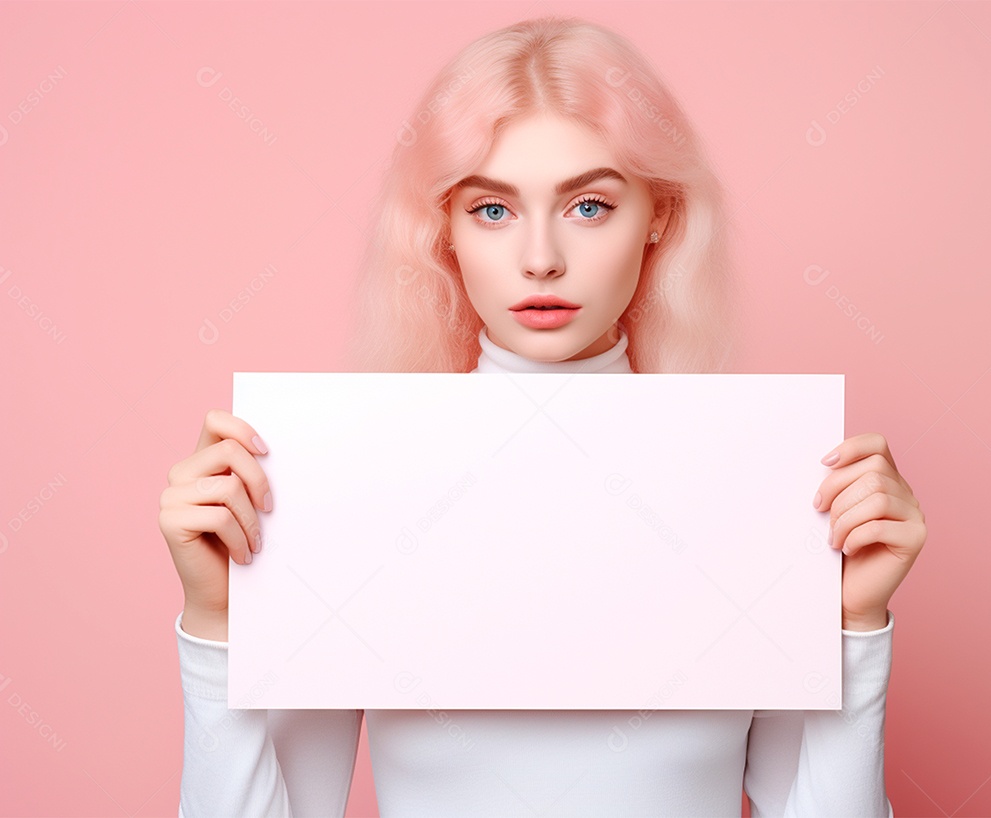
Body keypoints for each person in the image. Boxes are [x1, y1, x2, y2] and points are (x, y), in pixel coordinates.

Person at [159, 15, 926, 817]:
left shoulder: (751, 479)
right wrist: (217, 627)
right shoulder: (353, 476)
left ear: (658, 215)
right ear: (443, 229)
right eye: (492, 210)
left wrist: (852, 628)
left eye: (588, 206)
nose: (540, 257)